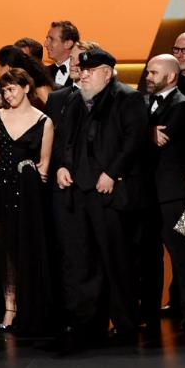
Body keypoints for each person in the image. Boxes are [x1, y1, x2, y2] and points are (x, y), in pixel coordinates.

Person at [51, 48, 147, 347]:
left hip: (110, 192)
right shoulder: (74, 100)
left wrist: (112, 173)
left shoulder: (127, 98)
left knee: (117, 260)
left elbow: (133, 141)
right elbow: (64, 138)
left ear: (107, 72)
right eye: (82, 71)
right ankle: (86, 322)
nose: (84, 76)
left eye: (90, 71)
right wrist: (63, 166)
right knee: (82, 259)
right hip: (79, 191)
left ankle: (125, 323)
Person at [0, 68, 53, 334]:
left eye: (12, 89)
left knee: (27, 247)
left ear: (26, 88)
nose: (7, 94)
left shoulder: (43, 121)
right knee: (4, 250)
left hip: (28, 193)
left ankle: (31, 307)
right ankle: (9, 307)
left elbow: (44, 164)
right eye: (5, 90)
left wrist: (28, 169)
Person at [140, 54, 185, 333]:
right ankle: (152, 311)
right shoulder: (141, 101)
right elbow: (136, 135)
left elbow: (165, 140)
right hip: (149, 193)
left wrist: (146, 135)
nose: (148, 77)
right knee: (150, 257)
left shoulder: (184, 106)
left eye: (153, 73)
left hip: (179, 195)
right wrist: (147, 132)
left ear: (171, 76)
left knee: (183, 256)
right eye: (148, 72)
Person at [44, 21, 80, 88]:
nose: (45, 44)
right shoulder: (43, 73)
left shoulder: (83, 73)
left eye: (51, 39)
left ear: (67, 44)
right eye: (47, 39)